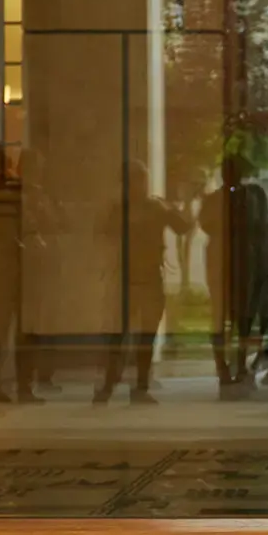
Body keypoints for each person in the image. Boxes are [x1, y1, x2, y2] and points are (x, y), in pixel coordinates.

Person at [95, 162, 192, 405]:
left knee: (140, 338)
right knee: (122, 337)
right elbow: (103, 232)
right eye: (139, 181)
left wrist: (178, 205)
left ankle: (131, 387)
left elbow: (182, 226)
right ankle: (115, 386)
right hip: (130, 280)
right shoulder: (136, 208)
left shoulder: (149, 207)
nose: (142, 186)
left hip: (145, 278)